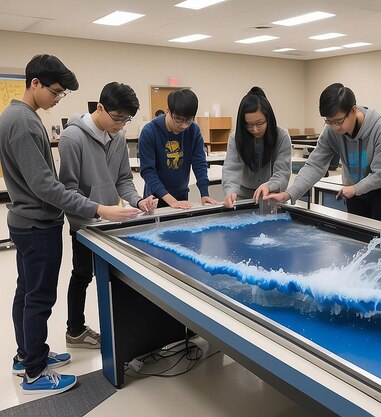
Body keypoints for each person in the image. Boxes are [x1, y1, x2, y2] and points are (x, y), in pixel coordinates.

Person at [0, 54, 142, 395]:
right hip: (36, 223)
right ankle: (34, 372)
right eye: (57, 92)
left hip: (30, 221)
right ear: (35, 83)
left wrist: (129, 202)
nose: (58, 98)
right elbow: (47, 186)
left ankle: (28, 355)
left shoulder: (20, 116)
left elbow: (119, 178)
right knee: (39, 298)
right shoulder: (23, 123)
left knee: (27, 292)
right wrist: (98, 209)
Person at [58, 82, 158, 350]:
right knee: (82, 275)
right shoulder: (72, 138)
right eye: (117, 118)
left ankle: (121, 330)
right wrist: (98, 210)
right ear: (100, 108)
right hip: (85, 224)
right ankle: (75, 331)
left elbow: (123, 179)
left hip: (112, 224)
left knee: (115, 276)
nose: (121, 125)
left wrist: (139, 200)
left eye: (126, 120)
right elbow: (67, 190)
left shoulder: (119, 137)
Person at [266, 83, 381, 221]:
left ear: (353, 110)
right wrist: (289, 193)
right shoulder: (331, 130)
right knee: (357, 236)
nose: (335, 127)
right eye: (329, 121)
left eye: (338, 121)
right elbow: (315, 165)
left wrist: (355, 189)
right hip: (353, 191)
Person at [138, 89, 218, 208]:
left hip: (181, 194)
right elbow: (148, 171)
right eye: (178, 119)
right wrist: (171, 201)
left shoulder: (193, 130)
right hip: (155, 197)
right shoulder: (150, 131)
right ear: (168, 111)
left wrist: (204, 193)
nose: (183, 125)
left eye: (188, 120)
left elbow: (199, 163)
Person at [222, 87, 291, 207]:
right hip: (242, 197)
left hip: (271, 196)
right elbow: (231, 169)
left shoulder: (282, 136)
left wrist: (269, 186)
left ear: (268, 118)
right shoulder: (236, 137)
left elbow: (282, 173)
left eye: (259, 123)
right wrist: (230, 191)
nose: (254, 129)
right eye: (249, 125)